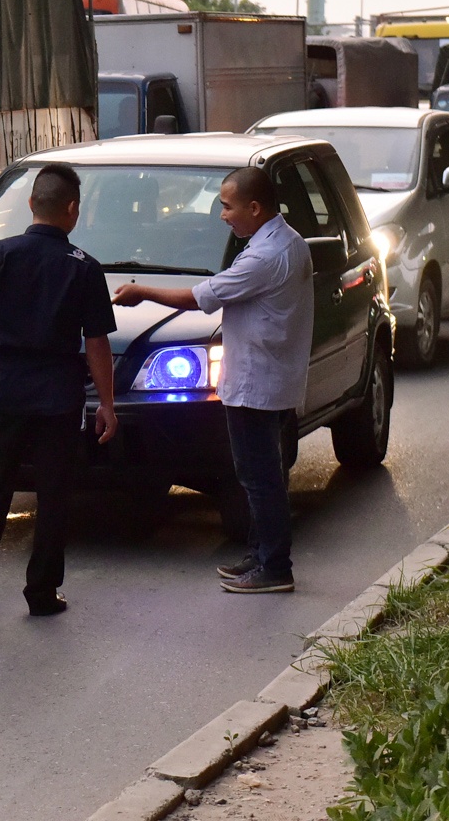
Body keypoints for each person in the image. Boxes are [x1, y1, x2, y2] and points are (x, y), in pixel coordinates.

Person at [111, 166, 313, 594]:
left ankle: (275, 566)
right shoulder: (284, 241)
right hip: (268, 378)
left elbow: (201, 298)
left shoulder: (265, 256)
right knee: (261, 473)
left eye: (227, 206)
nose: (222, 215)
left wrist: (143, 291)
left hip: (256, 383)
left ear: (254, 208)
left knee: (259, 477)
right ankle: (260, 555)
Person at [0, 162, 118, 617]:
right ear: (72, 209)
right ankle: (41, 593)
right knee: (54, 495)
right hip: (60, 401)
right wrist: (109, 406)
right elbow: (96, 344)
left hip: (5, 395)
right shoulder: (86, 269)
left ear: (30, 203)